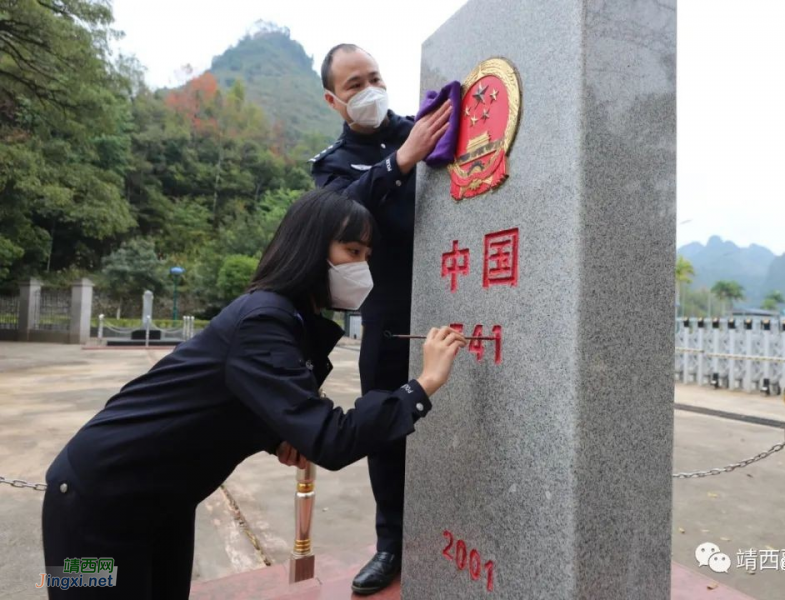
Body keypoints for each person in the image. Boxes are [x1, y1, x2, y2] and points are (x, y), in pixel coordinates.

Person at [40, 189, 467, 599]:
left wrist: (275, 436)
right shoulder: (263, 320)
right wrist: (422, 385)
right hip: (92, 506)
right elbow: (333, 438)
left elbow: (237, 400)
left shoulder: (290, 321)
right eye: (352, 252)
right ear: (311, 248)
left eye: (367, 257)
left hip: (164, 504)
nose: (361, 268)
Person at [308, 43, 451, 595]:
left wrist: (416, 144)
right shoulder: (332, 165)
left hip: (454, 292)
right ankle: (390, 543)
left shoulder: (426, 127)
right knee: (384, 427)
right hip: (387, 311)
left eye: (374, 77)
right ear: (332, 99)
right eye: (353, 85)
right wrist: (400, 162)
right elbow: (338, 219)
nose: (368, 90)